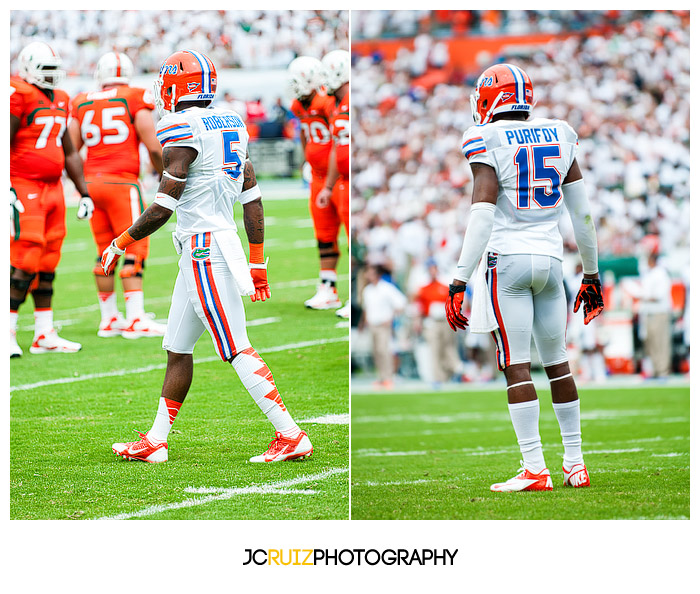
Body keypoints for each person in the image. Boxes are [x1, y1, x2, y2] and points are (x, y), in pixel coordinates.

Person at [108, 50, 312, 463]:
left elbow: (164, 206)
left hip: (205, 249)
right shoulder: (231, 120)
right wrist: (256, 260)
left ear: (176, 87)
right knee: (178, 347)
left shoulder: (181, 127)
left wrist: (121, 241)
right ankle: (156, 440)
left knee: (236, 346)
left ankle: (289, 434)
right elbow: (252, 197)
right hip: (210, 245)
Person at [444, 63, 604, 492]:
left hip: (508, 261)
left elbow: (481, 214)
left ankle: (535, 468)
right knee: (558, 364)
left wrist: (459, 279)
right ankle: (575, 464)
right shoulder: (560, 132)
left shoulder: (485, 138)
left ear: (489, 98)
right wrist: (592, 273)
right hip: (552, 263)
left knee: (516, 366)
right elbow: (583, 216)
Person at [69, 51, 167, 339]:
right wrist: (164, 176)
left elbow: (72, 149)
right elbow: (153, 146)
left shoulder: (82, 100)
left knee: (104, 249)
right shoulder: (135, 96)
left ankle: (109, 318)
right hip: (122, 183)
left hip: (91, 183)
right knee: (135, 247)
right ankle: (136, 318)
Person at [10, 41, 92, 357]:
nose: (52, 76)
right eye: (46, 69)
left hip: (53, 188)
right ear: (29, 69)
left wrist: (84, 192)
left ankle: (44, 333)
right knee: (25, 257)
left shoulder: (61, 98)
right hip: (22, 183)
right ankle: (8, 330)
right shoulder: (18, 93)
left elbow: (69, 150)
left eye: (55, 70)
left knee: (48, 260)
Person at [287, 56, 342, 312]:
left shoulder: (326, 102)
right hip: (318, 178)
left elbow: (337, 137)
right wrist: (306, 159)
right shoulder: (299, 104)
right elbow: (303, 131)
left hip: (337, 177)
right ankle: (328, 288)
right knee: (324, 234)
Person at [318, 49, 350, 319]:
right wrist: (328, 186)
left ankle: (352, 297)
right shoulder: (338, 104)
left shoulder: (350, 100)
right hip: (341, 182)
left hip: (351, 181)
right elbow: (336, 148)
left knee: (353, 240)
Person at [413, 260, 460, 384]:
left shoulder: (444, 286)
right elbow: (419, 307)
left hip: (445, 321)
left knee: (448, 347)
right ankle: (438, 377)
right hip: (432, 322)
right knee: (435, 349)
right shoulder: (423, 288)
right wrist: (417, 322)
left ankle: (451, 372)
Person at [360, 265, 407, 389]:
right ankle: (381, 377)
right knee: (376, 352)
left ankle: (388, 377)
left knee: (384, 351)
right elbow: (366, 309)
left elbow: (401, 303)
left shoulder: (386, 288)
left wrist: (391, 317)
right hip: (372, 325)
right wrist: (363, 323)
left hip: (383, 325)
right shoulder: (367, 290)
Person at [639, 252, 672, 378]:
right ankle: (654, 369)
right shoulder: (648, 274)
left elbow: (659, 295)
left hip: (659, 312)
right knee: (650, 343)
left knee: (661, 342)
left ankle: (663, 370)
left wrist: (643, 296)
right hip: (648, 312)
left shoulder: (661, 274)